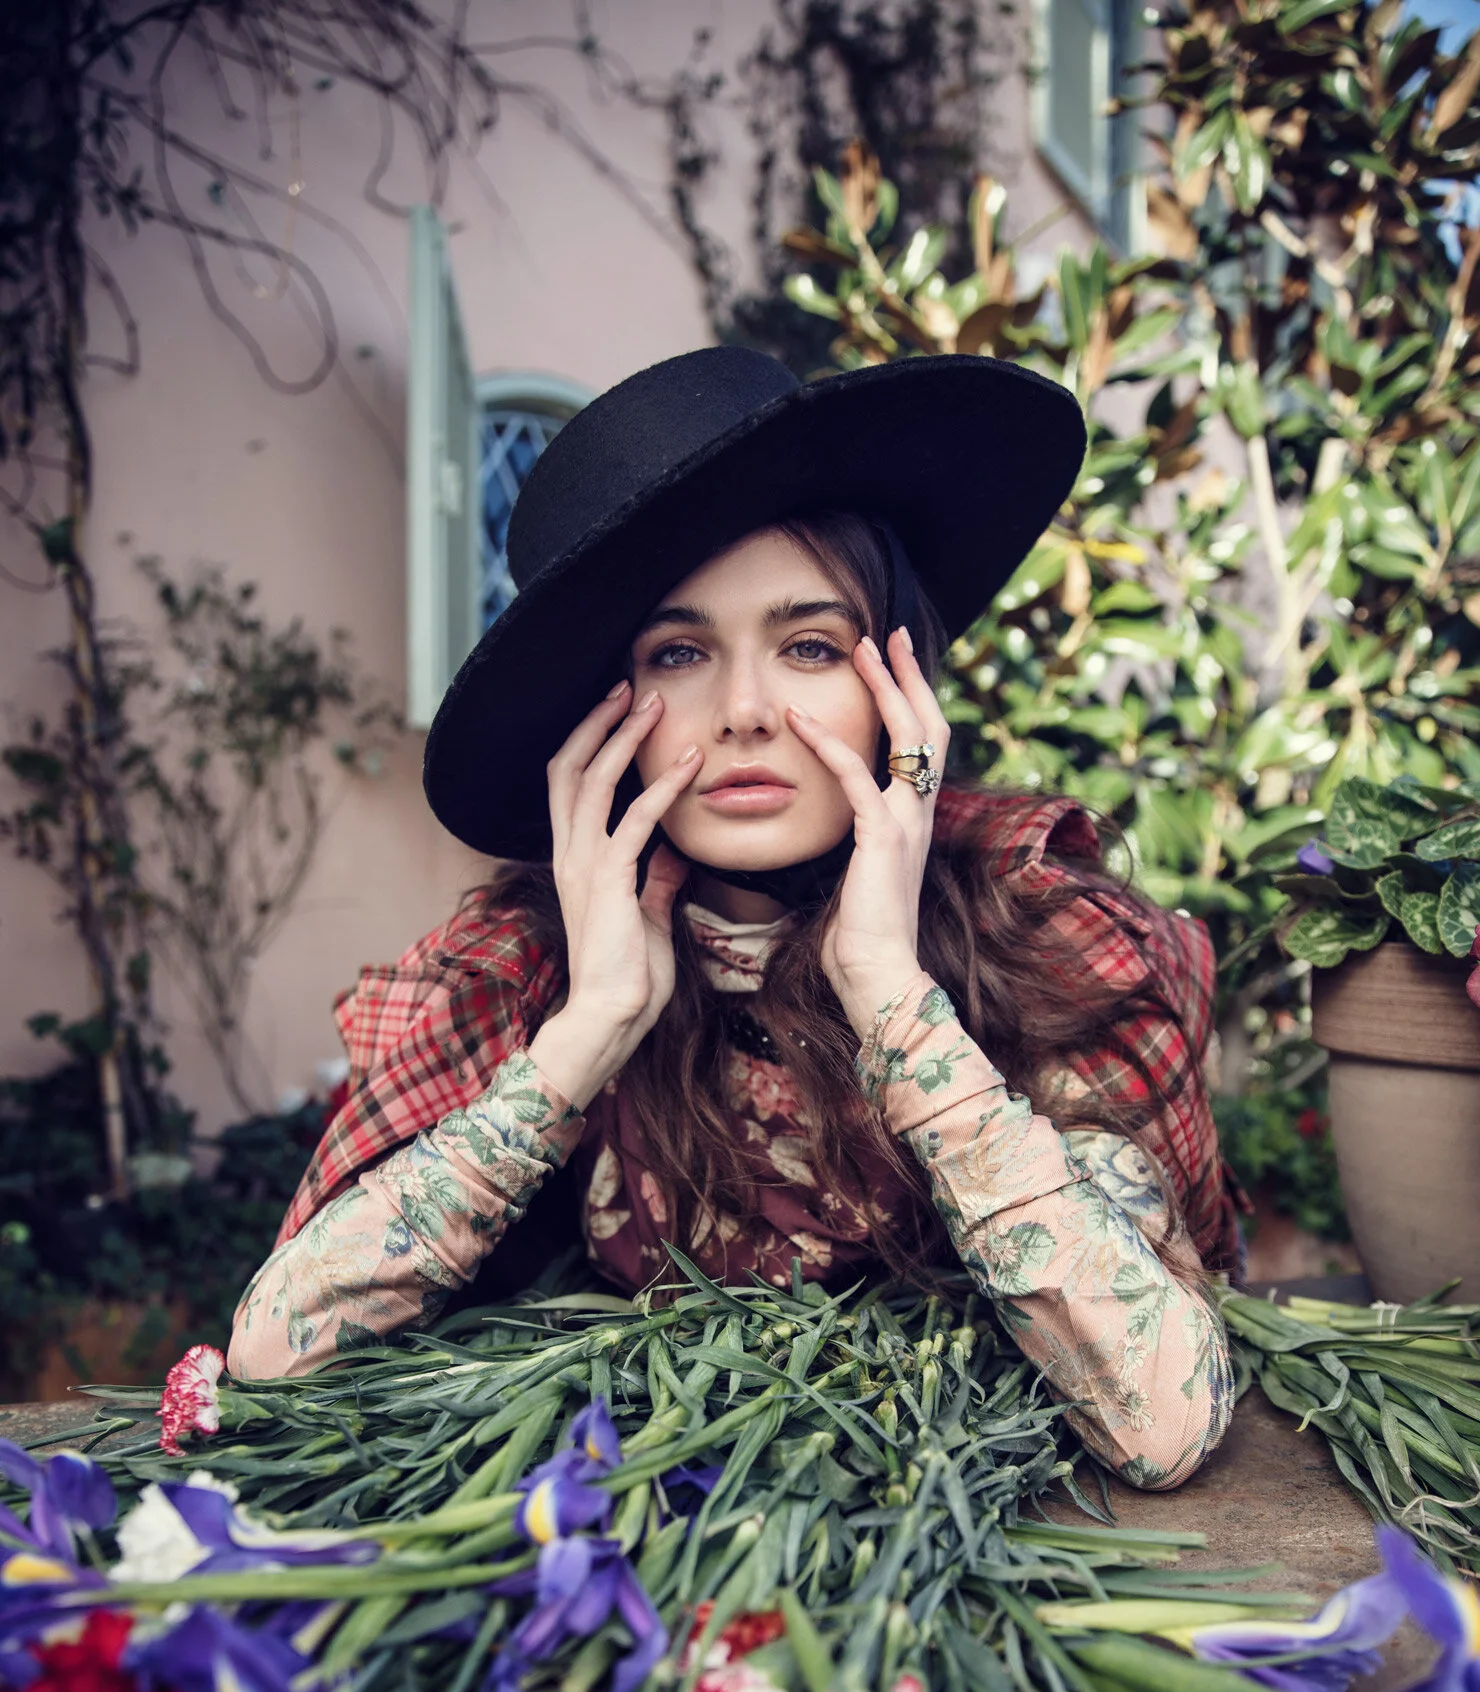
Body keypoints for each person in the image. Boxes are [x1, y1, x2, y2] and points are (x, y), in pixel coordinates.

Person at [229, 347, 1239, 1489]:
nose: (746, 711)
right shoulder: (525, 964)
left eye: (809, 647)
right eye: (679, 653)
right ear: (604, 717)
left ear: (899, 689)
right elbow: (271, 1361)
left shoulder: (1035, 926)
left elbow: (1162, 1423)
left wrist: (890, 994)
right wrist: (590, 1030)